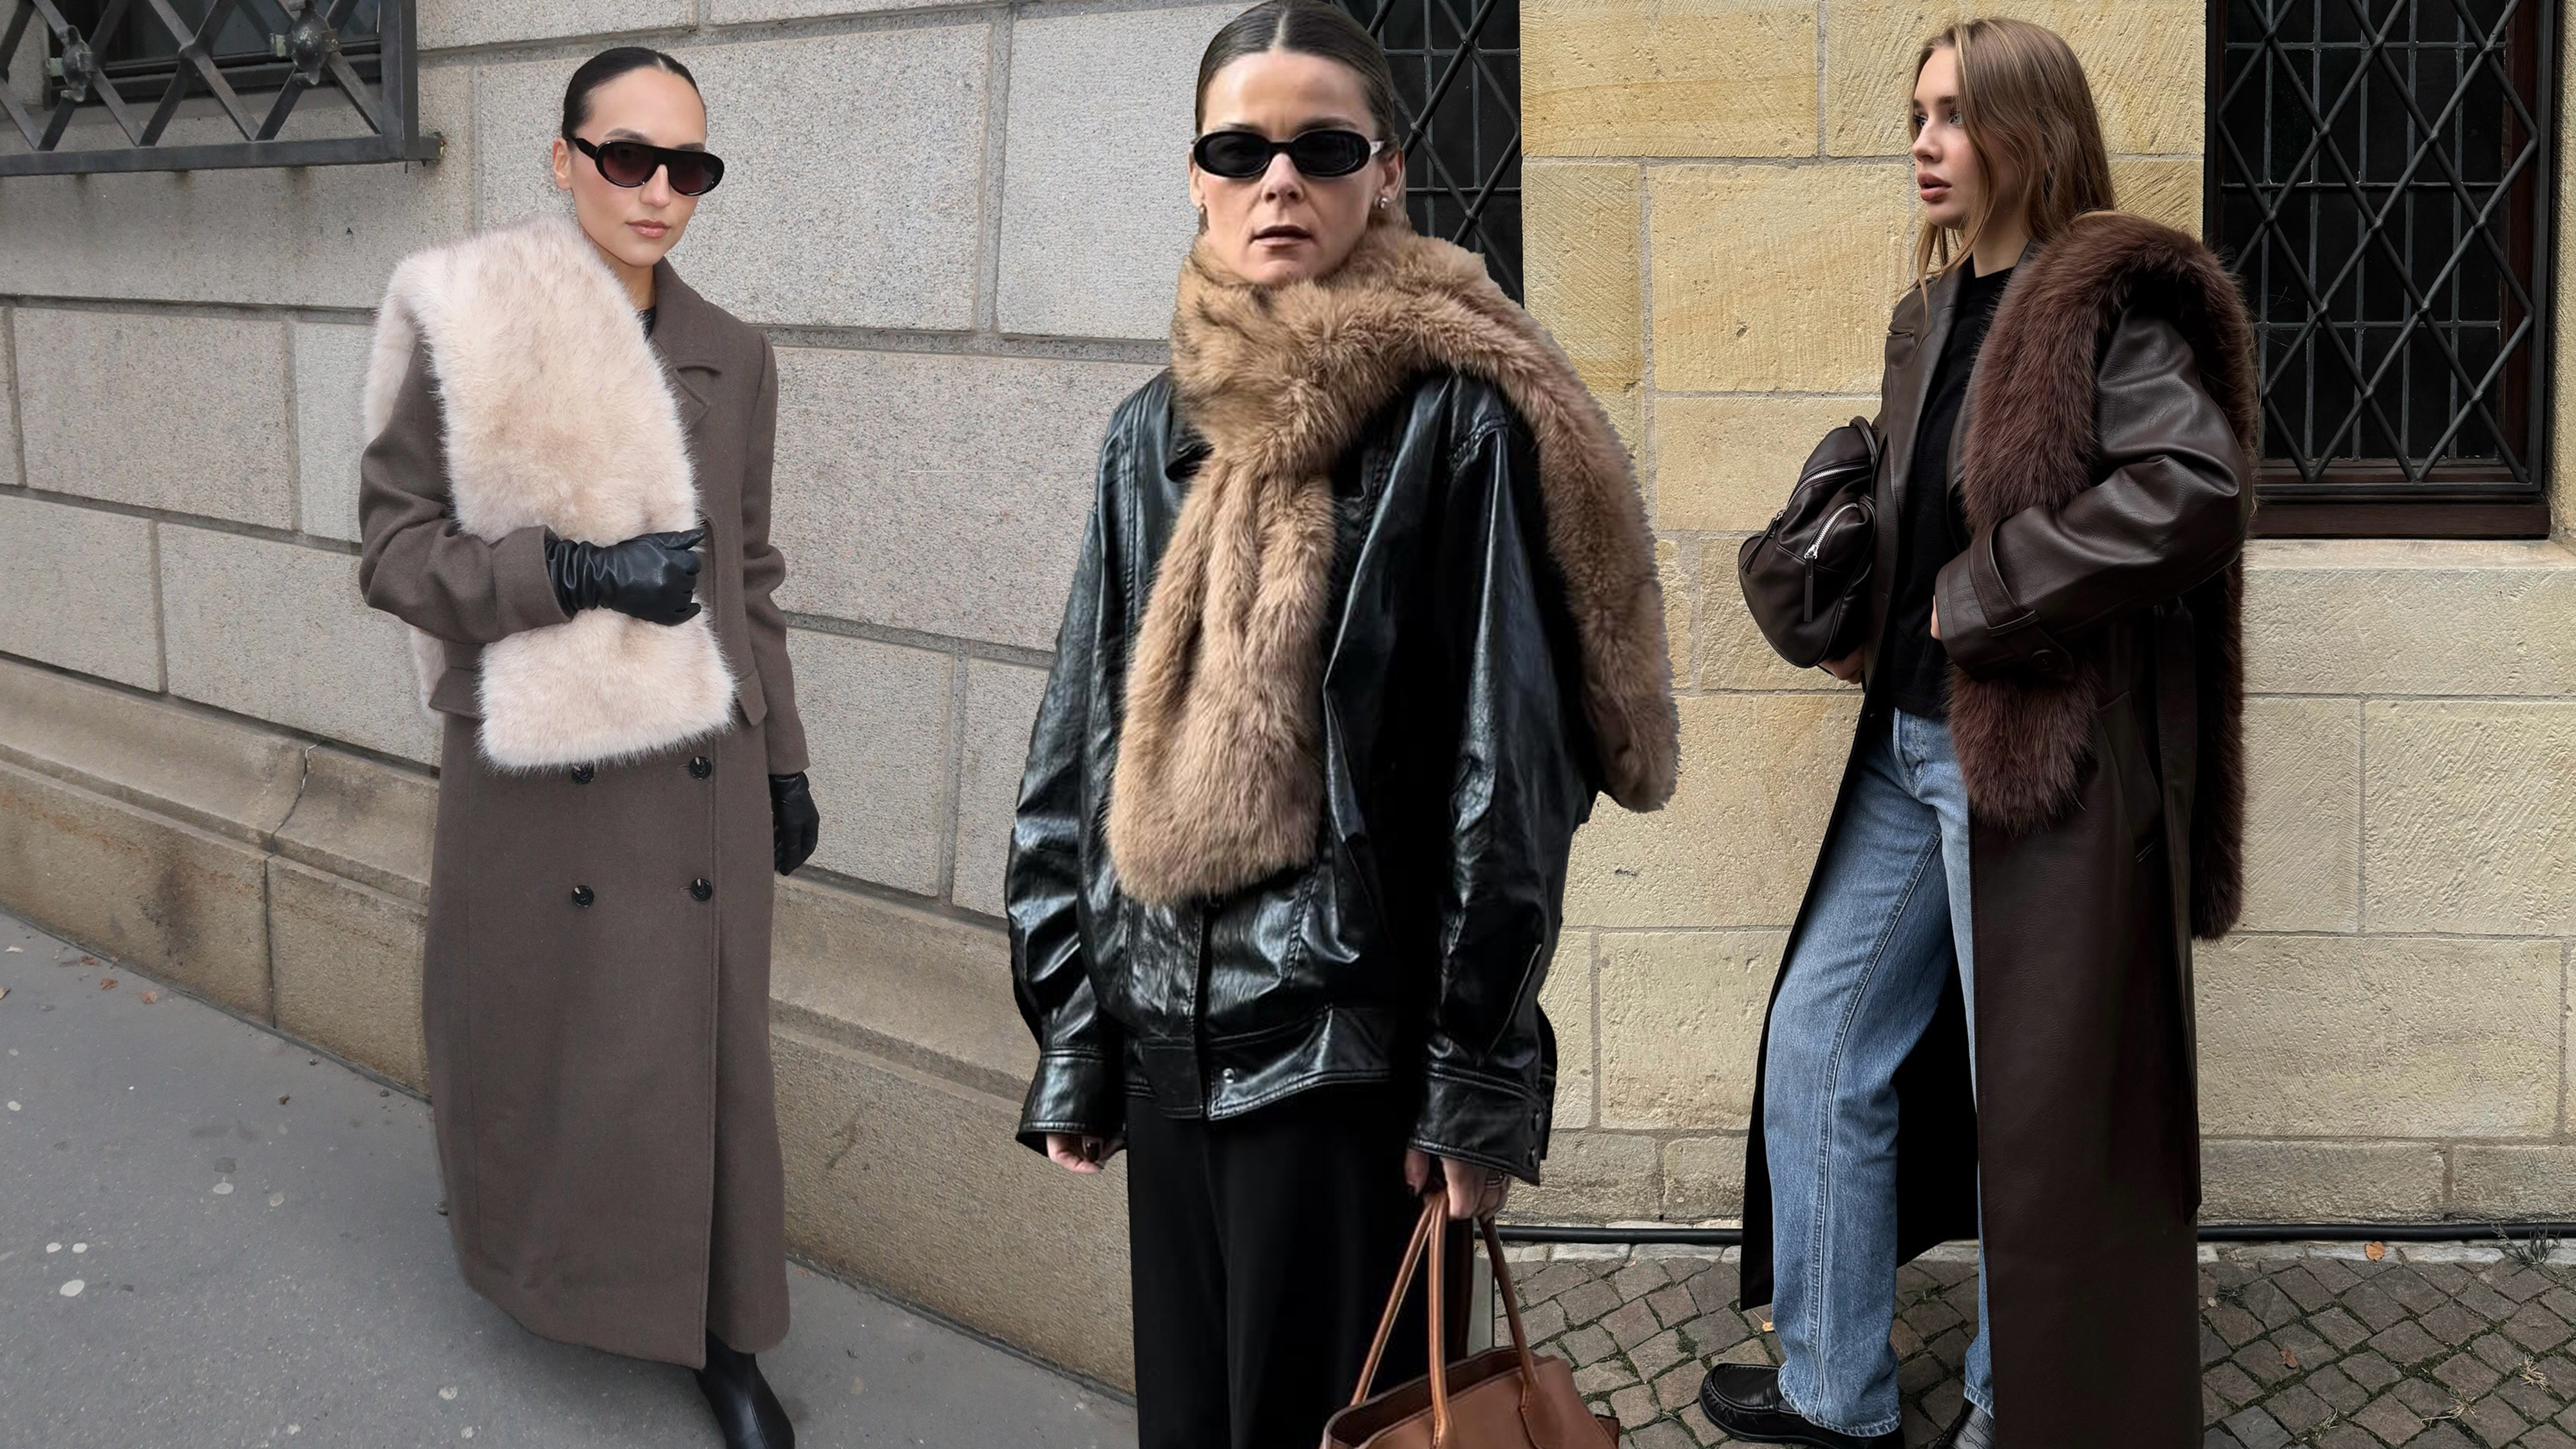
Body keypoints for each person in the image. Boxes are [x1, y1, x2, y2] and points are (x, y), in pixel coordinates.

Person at [1005, 3, 1678, 1444]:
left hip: (1347, 1064)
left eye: (1320, 148)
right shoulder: (1150, 429)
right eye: (1236, 150)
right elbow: (1077, 740)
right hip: (1166, 1048)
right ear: (1194, 176)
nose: (1277, 181)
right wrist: (1073, 1024)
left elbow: (1507, 772)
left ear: (1384, 173)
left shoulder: (1457, 421)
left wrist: (1474, 1075)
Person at [1699, 18, 2255, 1449]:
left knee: (2036, 1104)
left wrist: (1985, 595)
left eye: (1951, 115)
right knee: (1819, 1043)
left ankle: (2023, 1410)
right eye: (1914, 116)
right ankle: (1834, 1392)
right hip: (1901, 748)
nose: (1923, 144)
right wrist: (1858, 603)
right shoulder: (1930, 312)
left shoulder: (2105, 307)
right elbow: (1934, 509)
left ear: (2028, 130)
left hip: (2027, 758)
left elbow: (2192, 489)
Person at [356, 46, 819, 1449]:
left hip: (695, 772)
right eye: (628, 156)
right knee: (547, 1044)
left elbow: (749, 575)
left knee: (709, 1062)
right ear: (563, 159)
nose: (658, 190)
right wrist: (566, 571)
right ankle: (542, 1267)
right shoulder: (471, 319)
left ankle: (726, 1337)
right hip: (537, 779)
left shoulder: (735, 352)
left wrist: (785, 759)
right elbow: (394, 551)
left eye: (690, 166)